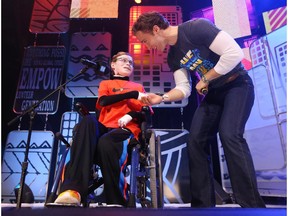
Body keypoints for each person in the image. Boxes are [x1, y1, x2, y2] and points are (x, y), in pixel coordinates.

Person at [132, 11, 266, 208]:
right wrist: (161, 98)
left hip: (237, 85)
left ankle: (252, 206)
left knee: (229, 135)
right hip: (214, 94)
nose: (147, 46)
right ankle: (203, 206)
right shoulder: (173, 56)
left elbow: (234, 54)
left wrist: (205, 78)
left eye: (145, 40)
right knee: (195, 141)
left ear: (155, 29)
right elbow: (184, 89)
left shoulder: (196, 28)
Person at [54, 51, 151, 207]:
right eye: (123, 60)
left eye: (131, 62)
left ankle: (116, 199)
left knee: (106, 142)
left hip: (125, 130)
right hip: (104, 128)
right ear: (113, 65)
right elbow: (104, 101)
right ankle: (73, 191)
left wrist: (131, 114)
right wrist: (130, 95)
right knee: (87, 121)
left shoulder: (138, 87)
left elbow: (146, 112)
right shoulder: (106, 85)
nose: (128, 63)